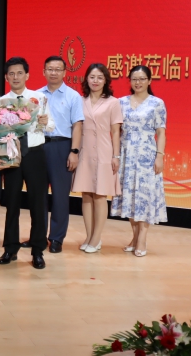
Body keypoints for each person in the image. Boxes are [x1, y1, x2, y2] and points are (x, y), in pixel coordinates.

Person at [0, 57, 54, 270]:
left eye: (19, 73)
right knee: (11, 203)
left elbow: (52, 125)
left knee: (38, 203)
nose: (15, 77)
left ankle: (38, 250)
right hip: (12, 154)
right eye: (11, 73)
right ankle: (10, 248)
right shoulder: (1, 102)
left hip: (35, 154)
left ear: (27, 75)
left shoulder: (39, 98)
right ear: (6, 77)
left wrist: (46, 123)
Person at [28, 56, 84, 254]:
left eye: (58, 69)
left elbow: (78, 125)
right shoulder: (35, 96)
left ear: (64, 72)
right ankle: (38, 237)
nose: (53, 72)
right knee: (38, 195)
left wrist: (74, 151)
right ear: (44, 71)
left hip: (62, 147)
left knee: (60, 196)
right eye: (50, 69)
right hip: (38, 146)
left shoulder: (73, 96)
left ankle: (57, 238)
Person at [111, 65, 167, 257]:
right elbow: (116, 131)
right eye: (135, 79)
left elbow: (161, 132)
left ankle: (142, 238)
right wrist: (116, 155)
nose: (138, 82)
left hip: (147, 154)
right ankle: (134, 237)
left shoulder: (157, 103)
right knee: (130, 196)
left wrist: (160, 156)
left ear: (149, 81)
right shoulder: (121, 102)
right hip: (126, 154)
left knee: (145, 196)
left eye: (142, 79)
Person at [72, 64, 122, 254]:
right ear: (86, 79)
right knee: (86, 194)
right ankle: (89, 236)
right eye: (92, 77)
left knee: (100, 196)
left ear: (106, 80)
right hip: (84, 151)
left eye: (100, 77)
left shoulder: (112, 102)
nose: (95, 81)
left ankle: (96, 237)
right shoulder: (80, 100)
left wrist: (116, 156)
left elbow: (115, 131)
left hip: (103, 151)